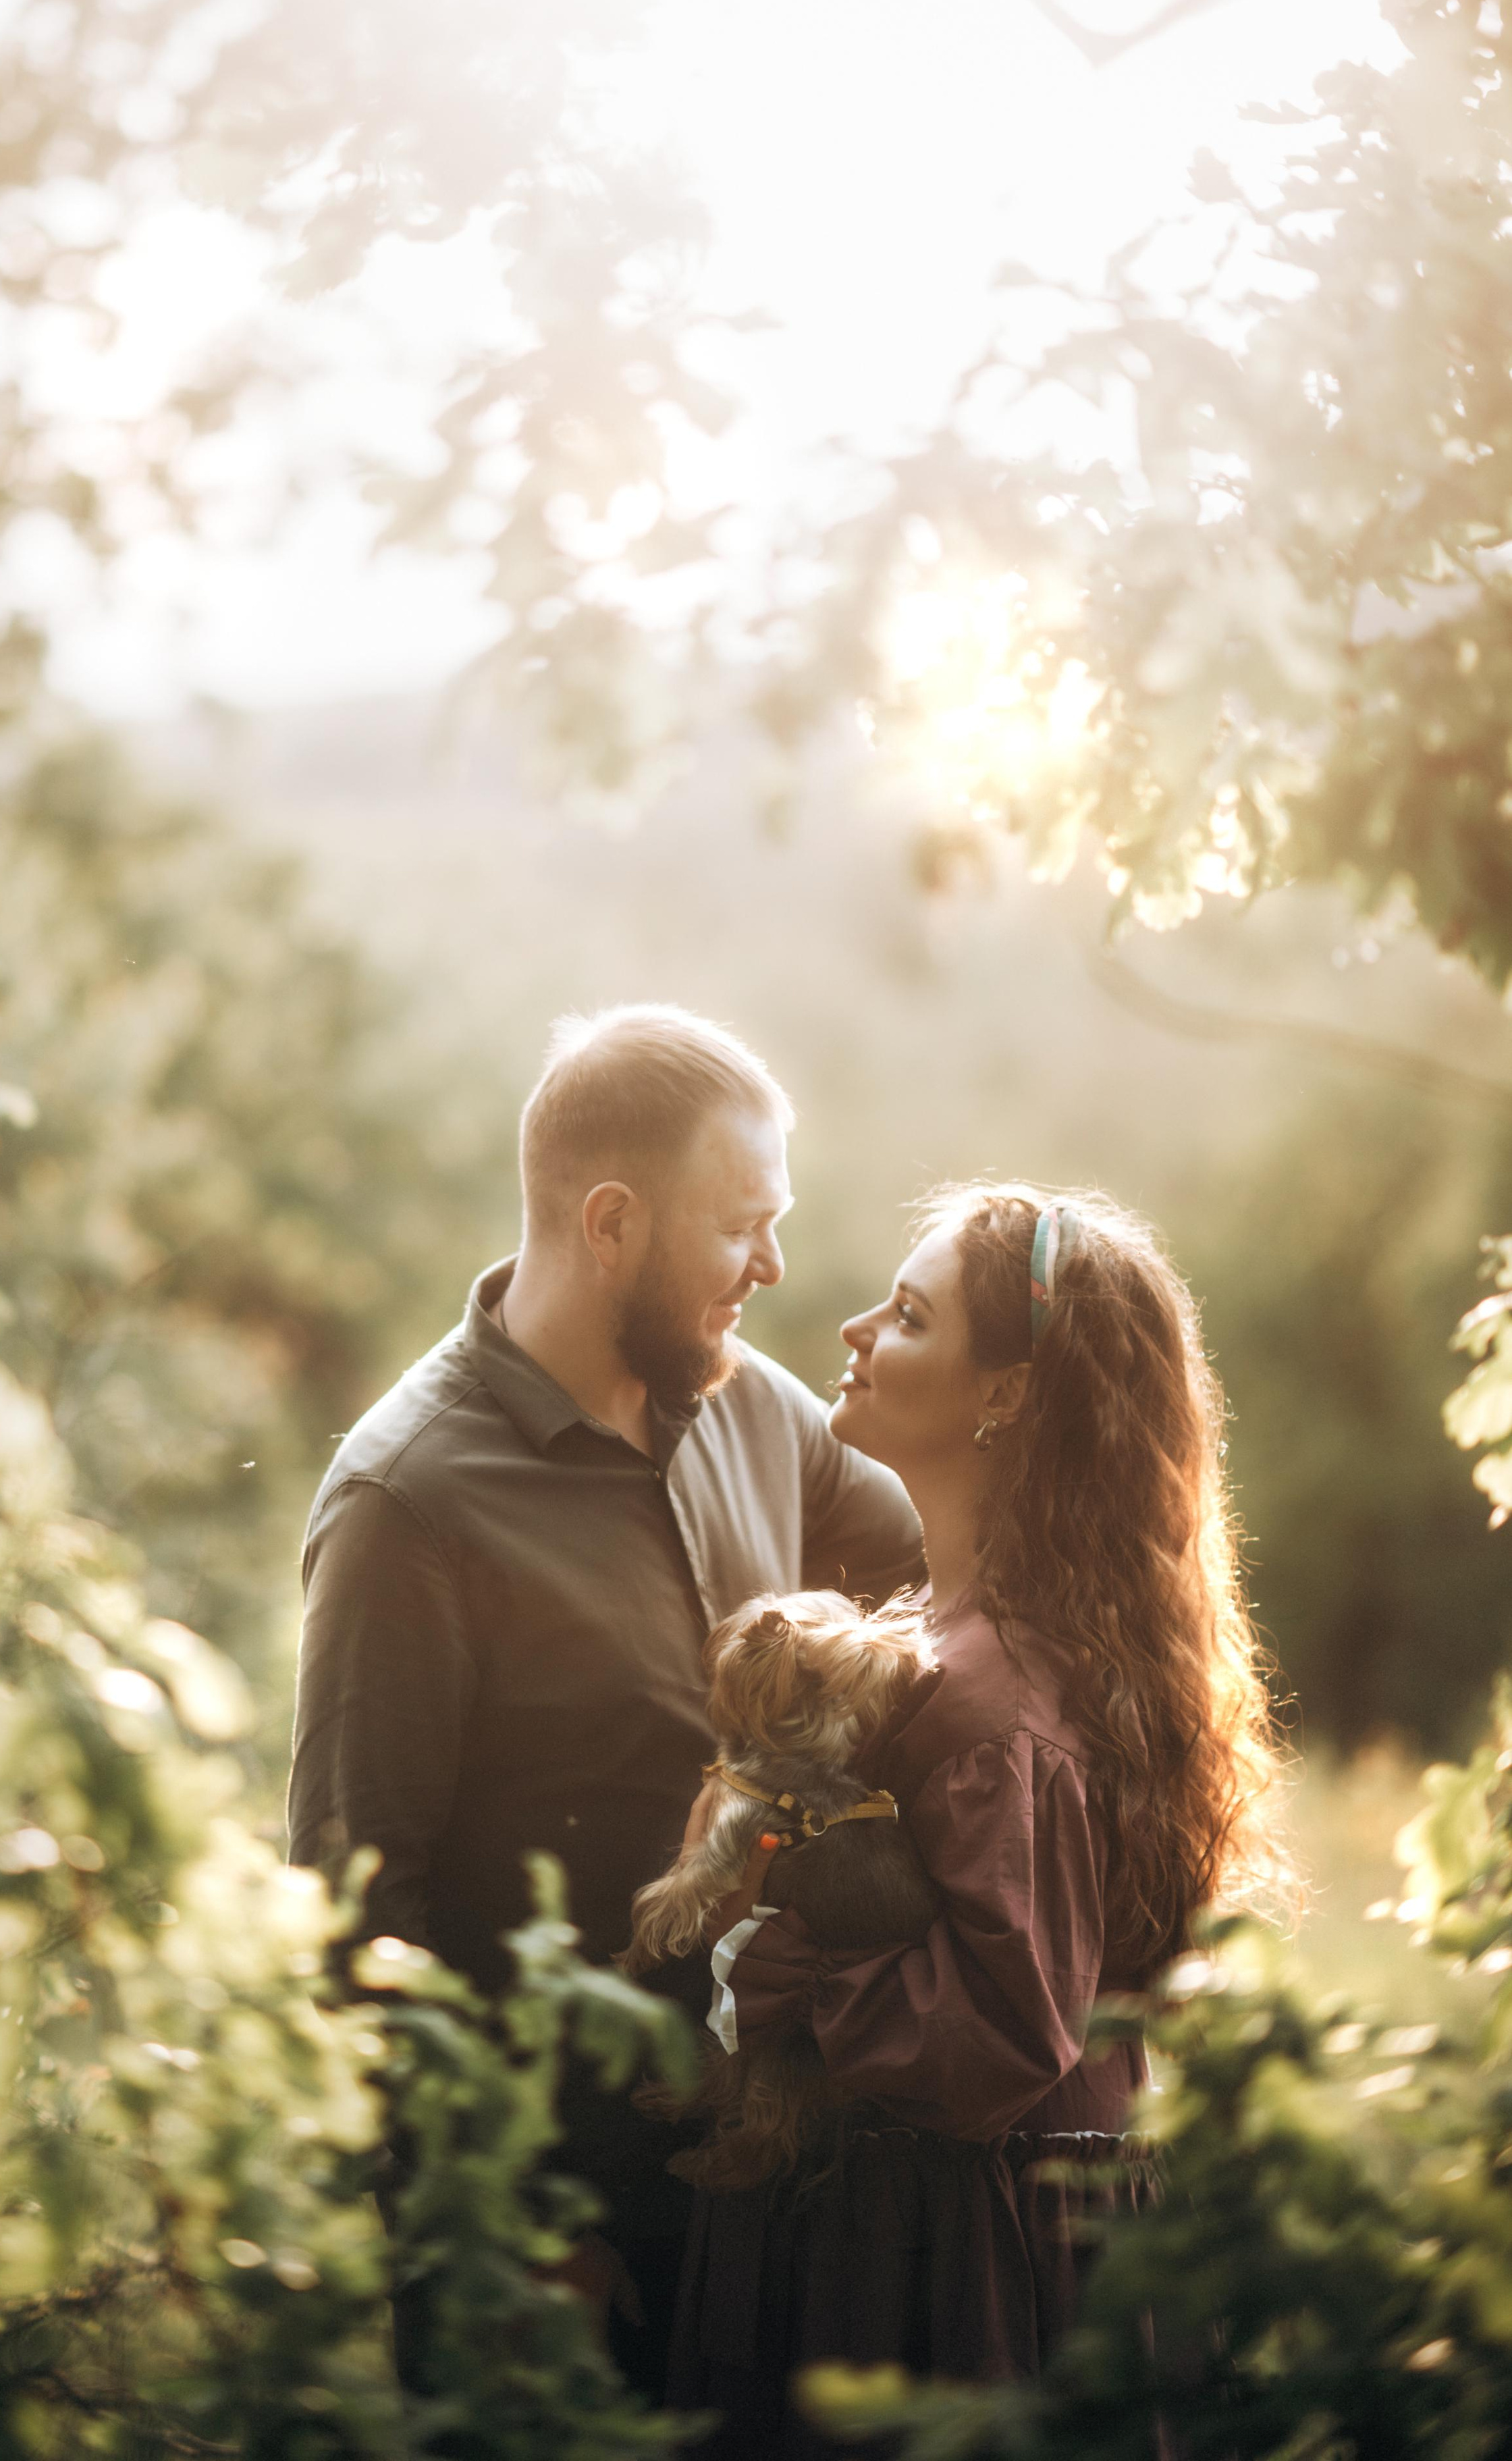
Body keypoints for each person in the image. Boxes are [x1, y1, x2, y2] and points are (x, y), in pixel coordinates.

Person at [286, 1004, 924, 2396]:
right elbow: (355, 1922)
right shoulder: (409, 1502)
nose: (772, 1266)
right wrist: (509, 2245)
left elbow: (959, 1577)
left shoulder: (760, 1410)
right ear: (614, 1223)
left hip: (769, 2217)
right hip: (551, 2252)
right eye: (739, 1225)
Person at [668, 1182, 1291, 2456]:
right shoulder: (989, 1648)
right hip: (972, 2233)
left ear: (1006, 1392)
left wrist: (769, 1965)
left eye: (907, 1317)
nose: (853, 1328)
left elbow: (1000, 2033)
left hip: (954, 2270)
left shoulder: (998, 1701)